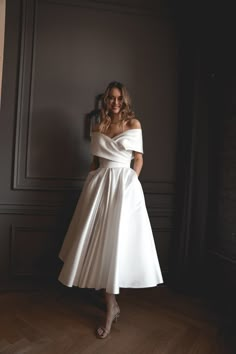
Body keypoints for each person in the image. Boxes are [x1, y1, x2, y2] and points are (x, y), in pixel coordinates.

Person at [58, 81, 163, 339]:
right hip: (99, 188)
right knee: (99, 244)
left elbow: (138, 158)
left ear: (124, 100)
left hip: (123, 188)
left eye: (119, 98)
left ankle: (110, 308)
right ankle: (111, 305)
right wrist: (89, 191)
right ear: (106, 101)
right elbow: (94, 163)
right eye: (111, 98)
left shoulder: (133, 124)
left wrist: (131, 183)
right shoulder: (99, 127)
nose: (115, 102)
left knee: (116, 244)